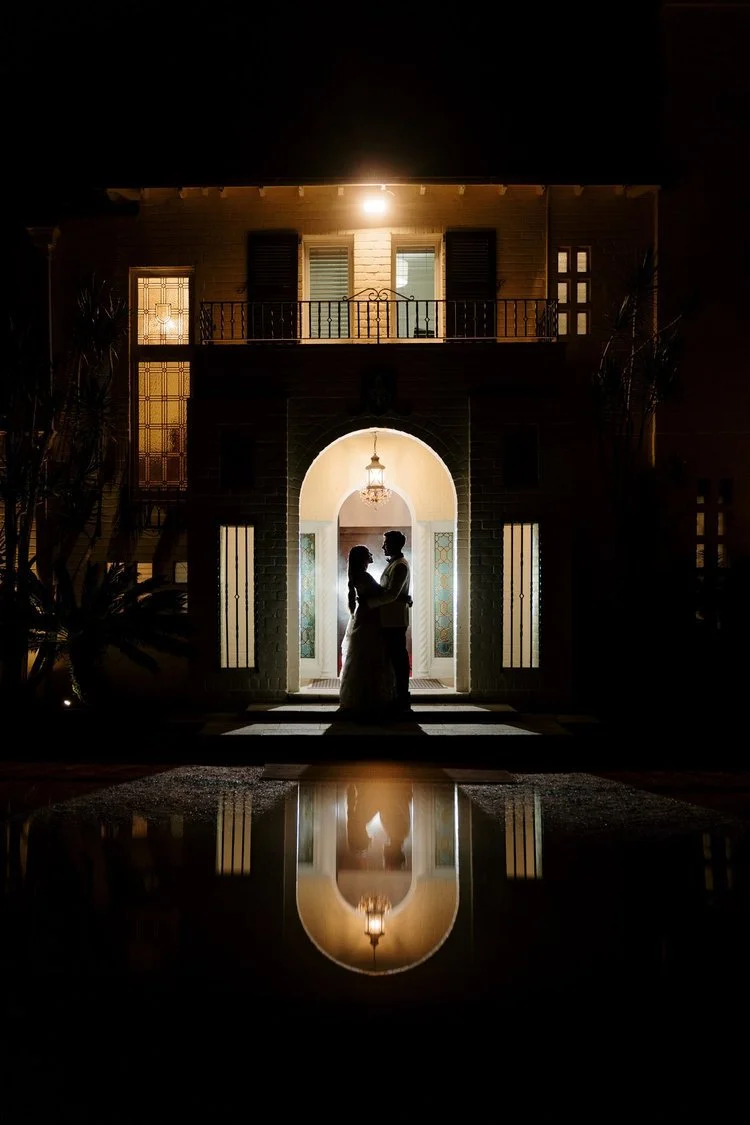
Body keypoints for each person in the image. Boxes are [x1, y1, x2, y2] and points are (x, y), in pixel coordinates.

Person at [338, 545, 397, 718]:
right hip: (369, 617)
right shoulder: (363, 576)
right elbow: (382, 594)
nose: (371, 555)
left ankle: (363, 698)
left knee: (363, 654)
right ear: (363, 558)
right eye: (368, 553)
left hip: (366, 614)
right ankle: (369, 699)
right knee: (369, 654)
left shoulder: (358, 576)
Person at [366, 530, 412, 715]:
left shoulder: (400, 565)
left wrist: (369, 603)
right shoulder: (395, 563)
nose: (383, 546)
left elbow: (391, 594)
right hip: (389, 618)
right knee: (392, 658)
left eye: (386, 543)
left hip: (395, 620)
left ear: (395, 544)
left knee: (398, 659)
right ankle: (395, 695)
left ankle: (402, 697)